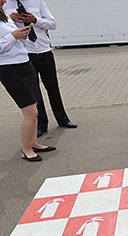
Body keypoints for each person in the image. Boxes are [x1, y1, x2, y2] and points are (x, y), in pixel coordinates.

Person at [5, 0, 77, 138]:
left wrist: (35, 20)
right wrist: (10, 19)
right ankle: (41, 124)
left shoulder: (37, 1)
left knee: (53, 87)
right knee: (35, 92)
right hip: (25, 53)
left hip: (44, 50)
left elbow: (53, 24)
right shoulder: (5, 6)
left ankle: (62, 119)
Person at [0, 0, 55, 162]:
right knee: (30, 112)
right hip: (10, 69)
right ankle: (26, 149)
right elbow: (7, 40)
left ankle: (33, 143)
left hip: (24, 63)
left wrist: (21, 34)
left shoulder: (4, 15)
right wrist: (13, 36)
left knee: (35, 109)